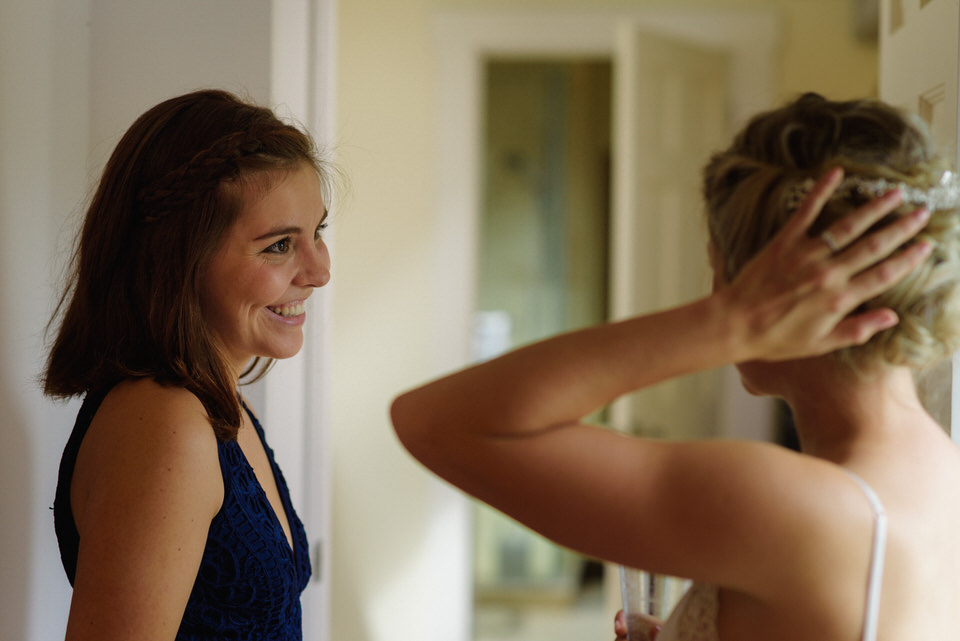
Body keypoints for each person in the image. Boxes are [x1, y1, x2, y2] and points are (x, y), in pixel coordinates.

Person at [391, 93, 960, 641]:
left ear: (770, 288)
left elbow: (434, 421)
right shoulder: (939, 467)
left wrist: (726, 324)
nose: (712, 295)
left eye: (718, 275)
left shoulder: (782, 504)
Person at [44, 89, 334, 641]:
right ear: (182, 257)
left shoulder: (215, 402)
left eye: (317, 232)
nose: (319, 271)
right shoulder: (165, 422)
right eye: (278, 246)